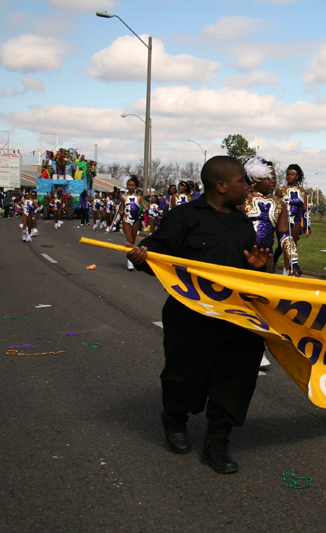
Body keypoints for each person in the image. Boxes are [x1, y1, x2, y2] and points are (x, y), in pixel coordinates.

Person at [126, 155, 271, 475]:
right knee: (184, 378)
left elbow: (250, 276)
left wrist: (257, 267)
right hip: (190, 318)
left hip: (235, 319)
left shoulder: (243, 224)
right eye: (241, 181)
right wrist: (141, 259)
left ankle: (217, 441)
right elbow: (156, 258)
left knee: (236, 378)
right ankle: (175, 418)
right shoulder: (183, 217)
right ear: (221, 186)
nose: (247, 187)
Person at [240, 157, 301, 276]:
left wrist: (293, 262)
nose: (273, 181)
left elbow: (285, 236)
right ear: (255, 179)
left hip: (266, 259)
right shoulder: (243, 200)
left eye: (274, 177)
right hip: (242, 257)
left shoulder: (279, 204)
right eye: (267, 177)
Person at [274, 164, 310, 274]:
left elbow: (305, 210)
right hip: (283, 222)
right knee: (286, 247)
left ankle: (288, 270)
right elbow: (275, 207)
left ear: (297, 176)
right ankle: (287, 269)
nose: (289, 176)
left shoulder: (302, 191)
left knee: (292, 247)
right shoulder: (281, 190)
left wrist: (307, 227)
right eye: (288, 174)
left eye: (292, 174)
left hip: (297, 222)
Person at [120, 176, 145, 271]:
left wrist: (154, 214)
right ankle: (129, 261)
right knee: (129, 240)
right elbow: (121, 210)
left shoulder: (139, 197)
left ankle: (131, 258)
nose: (131, 186)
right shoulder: (123, 197)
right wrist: (116, 221)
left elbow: (145, 207)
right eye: (129, 185)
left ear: (135, 186)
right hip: (126, 219)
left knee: (133, 241)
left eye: (133, 185)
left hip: (136, 220)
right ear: (127, 186)